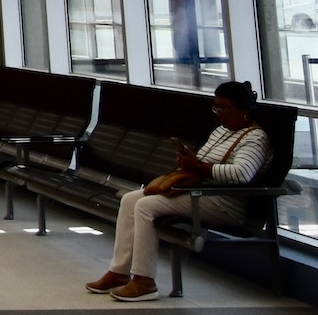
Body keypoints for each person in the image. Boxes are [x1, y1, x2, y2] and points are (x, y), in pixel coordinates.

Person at [86, 81, 270, 300]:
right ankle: (119, 271)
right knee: (129, 199)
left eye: (225, 108)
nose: (219, 114)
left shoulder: (255, 138)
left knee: (145, 206)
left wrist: (201, 167)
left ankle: (144, 280)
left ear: (244, 110)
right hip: (197, 192)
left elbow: (242, 174)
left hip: (222, 203)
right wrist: (189, 162)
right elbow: (202, 162)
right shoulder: (221, 132)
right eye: (216, 108)